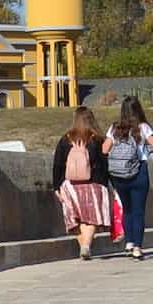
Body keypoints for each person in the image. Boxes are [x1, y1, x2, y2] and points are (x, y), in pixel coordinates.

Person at [51, 105, 115, 261]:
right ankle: (86, 246)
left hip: (70, 185)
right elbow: (104, 164)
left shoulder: (66, 138)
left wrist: (56, 187)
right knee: (91, 218)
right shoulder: (98, 139)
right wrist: (106, 184)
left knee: (76, 219)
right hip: (94, 184)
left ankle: (84, 247)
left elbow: (58, 164)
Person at [104, 96, 153, 259]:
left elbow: (104, 148)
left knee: (127, 209)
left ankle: (129, 241)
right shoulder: (143, 127)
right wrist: (149, 149)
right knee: (138, 211)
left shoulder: (114, 128)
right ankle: (137, 246)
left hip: (119, 174)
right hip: (139, 171)